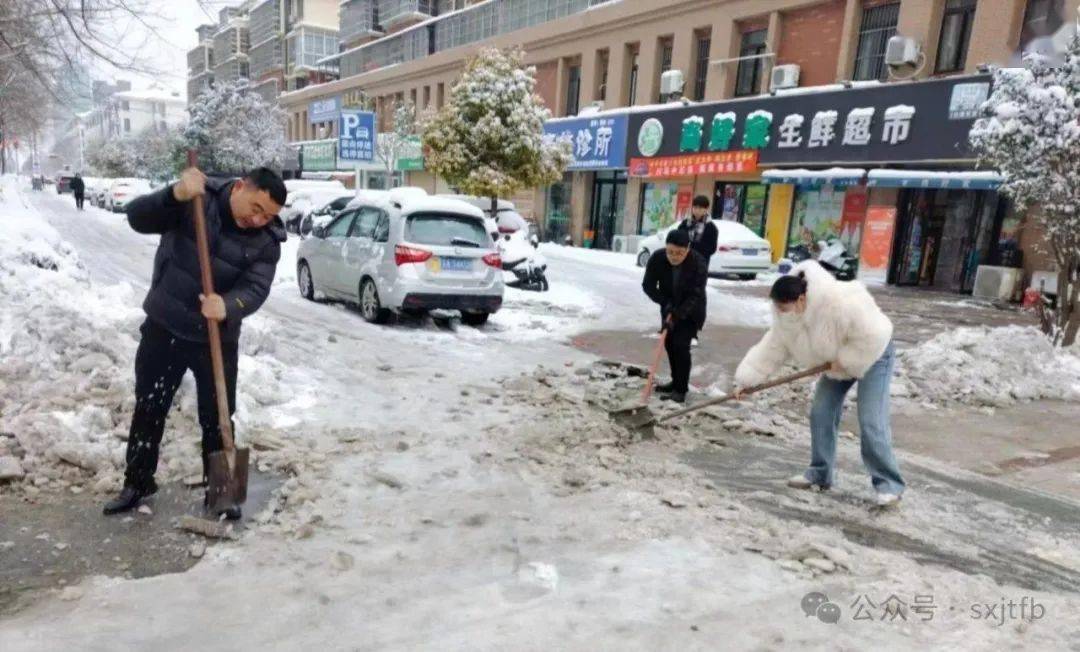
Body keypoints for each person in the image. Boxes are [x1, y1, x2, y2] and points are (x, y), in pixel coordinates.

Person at [103, 166, 287, 519]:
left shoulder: (268, 241)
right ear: (240, 187)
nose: (259, 219)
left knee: (218, 416)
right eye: (256, 207)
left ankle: (222, 494)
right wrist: (173, 194)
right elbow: (137, 217)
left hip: (216, 337)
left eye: (269, 216)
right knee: (150, 405)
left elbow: (256, 288)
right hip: (166, 324)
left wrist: (229, 305)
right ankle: (137, 482)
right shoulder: (197, 199)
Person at [732, 261, 905, 508]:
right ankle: (820, 473)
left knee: (871, 421)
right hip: (834, 362)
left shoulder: (840, 301)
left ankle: (889, 485)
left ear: (801, 299)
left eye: (784, 307)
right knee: (821, 413)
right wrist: (746, 381)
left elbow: (873, 335)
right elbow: (771, 348)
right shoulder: (787, 320)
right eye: (777, 307)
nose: (780, 312)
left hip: (873, 354)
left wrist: (847, 360)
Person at [641, 229, 708, 404]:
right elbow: (648, 285)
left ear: (688, 249)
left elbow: (695, 295)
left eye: (679, 253)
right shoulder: (657, 258)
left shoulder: (698, 263)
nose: (674, 256)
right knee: (669, 344)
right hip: (669, 306)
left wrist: (677, 315)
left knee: (680, 345)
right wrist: (665, 302)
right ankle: (675, 381)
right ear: (665, 248)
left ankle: (680, 389)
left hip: (691, 309)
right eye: (670, 252)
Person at [676, 195, 719, 267]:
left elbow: (712, 248)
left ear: (706, 209)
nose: (697, 210)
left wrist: (695, 249)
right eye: (695, 207)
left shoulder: (711, 227)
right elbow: (677, 238)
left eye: (700, 208)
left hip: (701, 263)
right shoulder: (685, 223)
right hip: (683, 260)